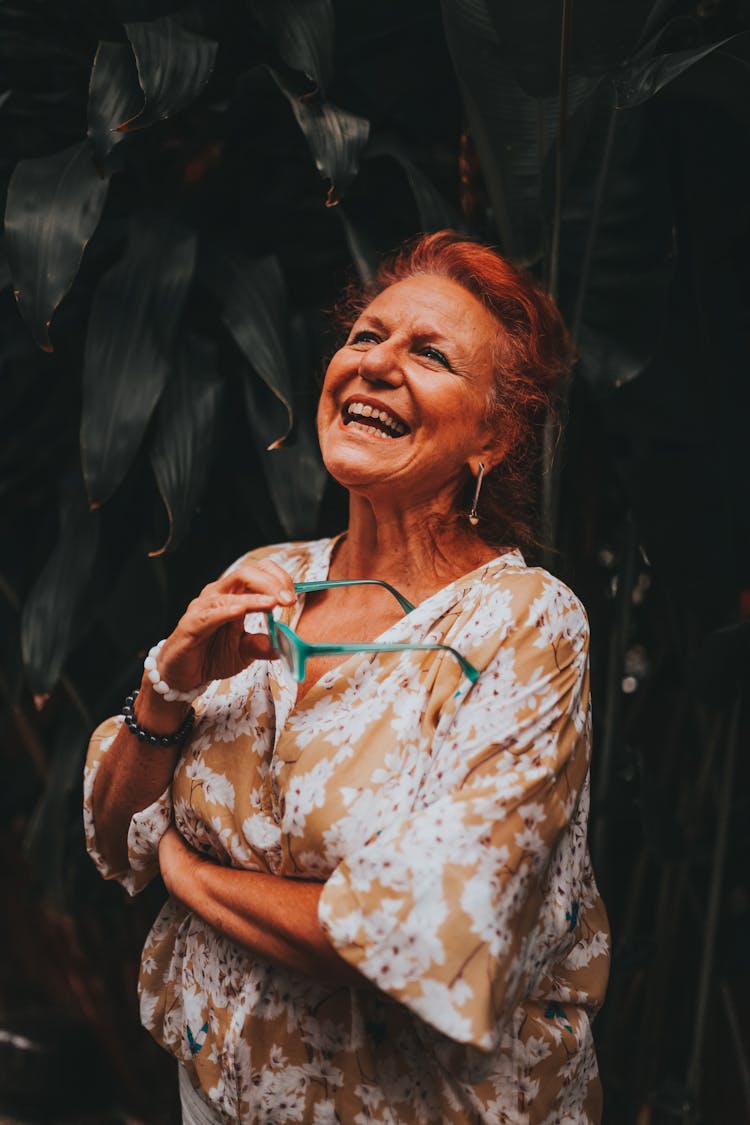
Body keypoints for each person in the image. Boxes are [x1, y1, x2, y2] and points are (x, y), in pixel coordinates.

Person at [84, 231, 610, 1125]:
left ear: (494, 435)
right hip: (215, 1093)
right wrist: (166, 687)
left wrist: (188, 873)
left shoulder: (524, 622)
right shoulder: (267, 577)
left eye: (429, 353)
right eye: (367, 336)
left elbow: (421, 933)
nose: (377, 365)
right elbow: (112, 826)